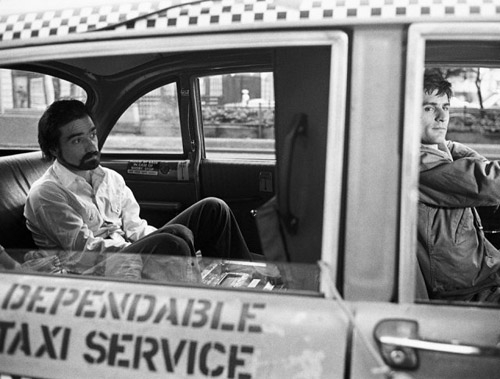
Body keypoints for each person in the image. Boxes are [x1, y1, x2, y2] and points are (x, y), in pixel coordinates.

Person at [24, 99, 252, 279]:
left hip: (127, 252)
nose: (91, 145)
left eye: (92, 134)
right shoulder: (47, 193)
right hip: (94, 270)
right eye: (77, 140)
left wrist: (153, 241)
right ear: (54, 149)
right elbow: (84, 251)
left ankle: (247, 284)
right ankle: (197, 305)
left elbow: (135, 227)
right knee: (173, 241)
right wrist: (153, 246)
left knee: (213, 209)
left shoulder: (110, 178)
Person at [418, 69, 500, 302]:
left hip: (477, 273)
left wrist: (443, 143)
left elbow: (463, 155)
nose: (442, 117)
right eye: (429, 107)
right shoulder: (419, 163)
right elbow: (489, 183)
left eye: (445, 107)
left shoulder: (437, 151)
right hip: (464, 290)